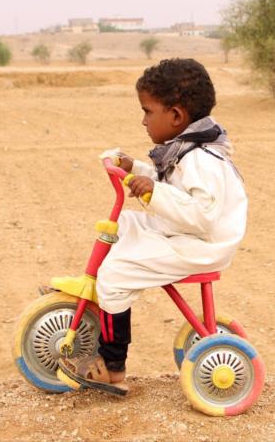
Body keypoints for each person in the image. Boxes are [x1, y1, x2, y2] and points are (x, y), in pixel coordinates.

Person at [59, 58, 247, 395]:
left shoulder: (202, 159)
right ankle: (105, 301)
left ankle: (111, 366)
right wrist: (140, 170)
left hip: (203, 244)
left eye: (148, 111)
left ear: (175, 116)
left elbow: (202, 215)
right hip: (190, 234)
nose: (143, 121)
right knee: (127, 224)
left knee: (115, 274)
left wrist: (153, 190)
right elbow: (172, 184)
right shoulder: (187, 147)